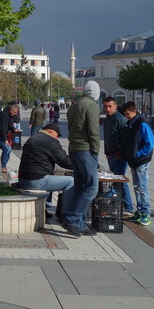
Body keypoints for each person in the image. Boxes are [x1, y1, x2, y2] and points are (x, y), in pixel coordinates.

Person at [61, 81, 102, 237]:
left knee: (80, 186)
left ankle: (80, 223)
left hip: (74, 149)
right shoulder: (92, 106)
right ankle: (72, 219)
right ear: (95, 93)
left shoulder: (74, 105)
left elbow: (71, 128)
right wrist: (96, 151)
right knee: (91, 187)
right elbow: (93, 130)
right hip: (86, 149)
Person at [18, 123, 74, 216]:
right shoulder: (50, 141)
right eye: (56, 136)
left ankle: (45, 209)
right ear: (50, 131)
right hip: (36, 181)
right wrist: (80, 165)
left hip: (23, 179)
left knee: (51, 176)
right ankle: (66, 214)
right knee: (71, 181)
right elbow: (64, 161)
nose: (57, 138)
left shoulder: (32, 138)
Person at [120, 101, 154, 226]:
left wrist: (138, 154)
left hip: (141, 161)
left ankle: (146, 213)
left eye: (128, 114)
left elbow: (150, 143)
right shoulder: (131, 124)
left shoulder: (141, 124)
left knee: (142, 187)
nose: (126, 116)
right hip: (134, 161)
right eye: (125, 114)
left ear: (134, 112)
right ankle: (140, 211)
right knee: (137, 187)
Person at [102, 97, 134, 217]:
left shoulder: (120, 119)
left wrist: (121, 154)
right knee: (115, 181)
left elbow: (125, 139)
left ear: (116, 106)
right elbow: (106, 138)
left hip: (119, 155)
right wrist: (106, 152)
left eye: (110, 106)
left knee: (120, 181)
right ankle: (116, 205)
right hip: (111, 154)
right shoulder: (107, 120)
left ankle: (128, 207)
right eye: (105, 106)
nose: (108, 109)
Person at [0, 100, 20, 174]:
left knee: (9, 150)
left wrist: (14, 130)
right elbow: (2, 128)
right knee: (6, 149)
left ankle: (4, 165)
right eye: (15, 112)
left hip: (0, 134)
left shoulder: (9, 115)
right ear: (11, 110)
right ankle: (3, 166)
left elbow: (9, 125)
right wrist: (5, 139)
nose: (16, 114)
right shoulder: (3, 115)